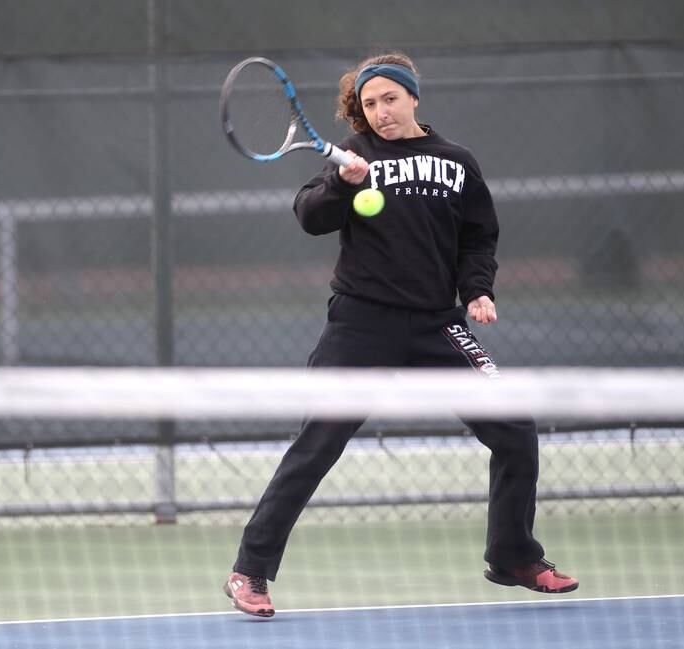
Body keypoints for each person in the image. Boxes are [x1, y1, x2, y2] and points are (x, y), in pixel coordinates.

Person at [224, 52, 578, 618]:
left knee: (515, 429)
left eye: (390, 99)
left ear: (413, 97)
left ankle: (512, 555)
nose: (381, 112)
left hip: (440, 324)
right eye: (369, 104)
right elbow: (310, 215)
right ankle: (250, 572)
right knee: (319, 444)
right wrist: (342, 185)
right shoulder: (355, 156)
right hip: (361, 324)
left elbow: (478, 237)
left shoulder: (457, 163)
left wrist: (477, 290)